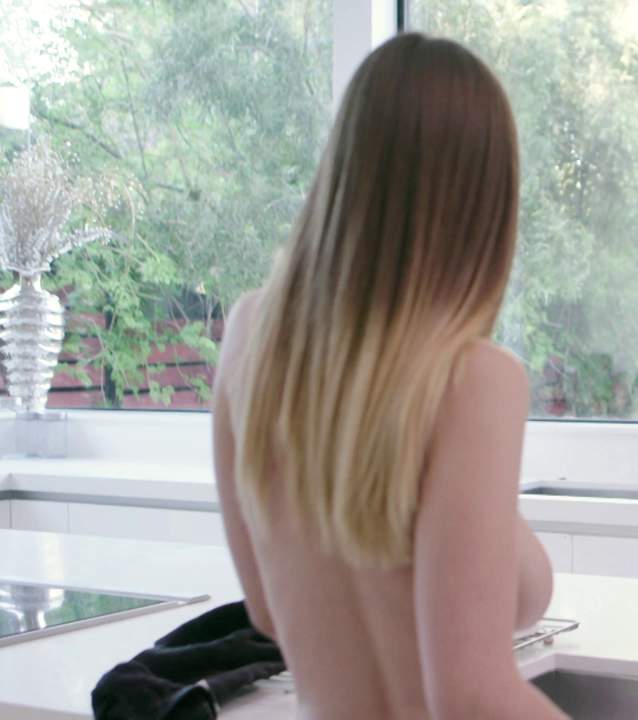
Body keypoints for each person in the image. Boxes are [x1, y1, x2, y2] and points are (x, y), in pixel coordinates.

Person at [211, 34, 567, 719]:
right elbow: (471, 696)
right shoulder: (474, 378)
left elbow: (268, 609)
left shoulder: (250, 337)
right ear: (485, 202)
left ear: (344, 170)